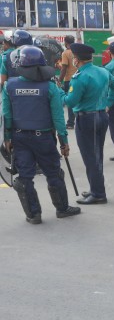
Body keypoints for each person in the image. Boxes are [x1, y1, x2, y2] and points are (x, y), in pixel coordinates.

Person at [3, 46, 80, 224]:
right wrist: (64, 141)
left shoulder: (10, 86)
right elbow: (58, 118)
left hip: (19, 138)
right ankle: (62, 209)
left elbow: (6, 115)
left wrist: (7, 138)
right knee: (54, 174)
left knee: (24, 178)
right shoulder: (50, 87)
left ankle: (33, 215)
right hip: (44, 138)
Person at [64, 43, 114, 205]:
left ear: (77, 59)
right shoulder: (103, 71)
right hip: (101, 115)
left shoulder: (80, 77)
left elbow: (70, 100)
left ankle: (98, 193)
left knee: (91, 157)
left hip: (87, 119)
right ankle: (95, 188)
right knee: (95, 155)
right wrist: (108, 103)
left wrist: (60, 94)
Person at [58, 35, 78, 129]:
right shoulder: (78, 51)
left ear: (66, 42)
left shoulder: (65, 53)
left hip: (69, 80)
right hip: (78, 79)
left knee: (70, 102)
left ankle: (70, 123)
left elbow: (64, 68)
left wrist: (59, 80)